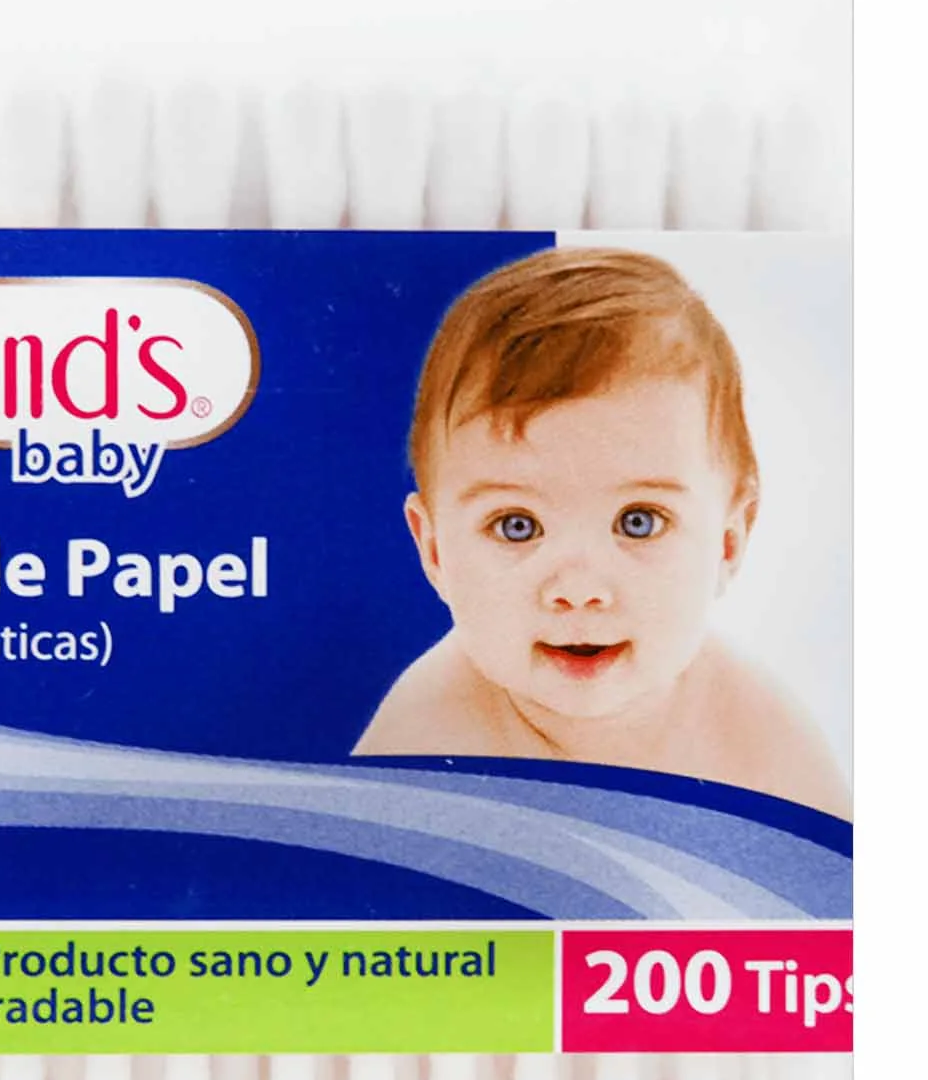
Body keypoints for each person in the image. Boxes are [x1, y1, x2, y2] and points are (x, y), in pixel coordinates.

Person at [353, 247, 849, 817]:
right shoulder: (421, 745)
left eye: (639, 522)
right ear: (435, 550)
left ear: (728, 542)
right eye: (517, 526)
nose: (580, 589)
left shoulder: (759, 736)